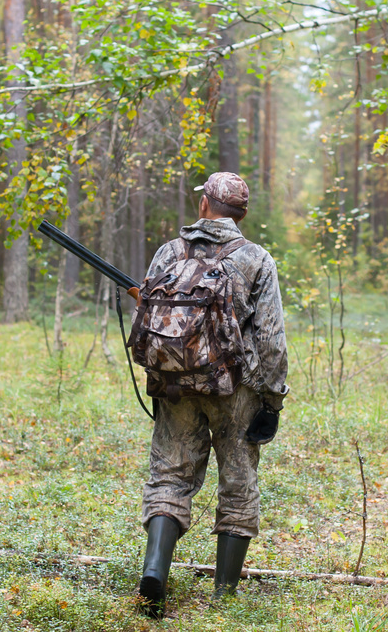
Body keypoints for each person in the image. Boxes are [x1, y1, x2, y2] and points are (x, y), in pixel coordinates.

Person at [134, 172, 288, 618]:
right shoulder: (256, 259)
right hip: (235, 388)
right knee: (238, 483)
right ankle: (223, 597)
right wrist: (271, 401)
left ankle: (155, 574)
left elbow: (155, 318)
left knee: (169, 475)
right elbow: (272, 341)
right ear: (241, 214)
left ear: (205, 206)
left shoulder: (169, 252)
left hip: (175, 385)